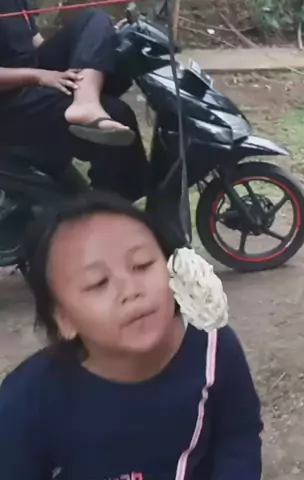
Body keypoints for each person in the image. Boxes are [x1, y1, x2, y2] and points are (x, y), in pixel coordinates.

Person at [0, 192, 263, 479]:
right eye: (98, 283)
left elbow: (238, 434)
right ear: (63, 319)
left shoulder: (213, 346)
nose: (131, 290)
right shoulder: (25, 403)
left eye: (142, 265)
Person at [0, 3, 150, 201]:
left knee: (95, 18)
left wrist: (95, 42)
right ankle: (109, 208)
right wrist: (38, 76)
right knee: (118, 115)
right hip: (10, 103)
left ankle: (86, 101)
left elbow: (35, 44)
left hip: (33, 76)